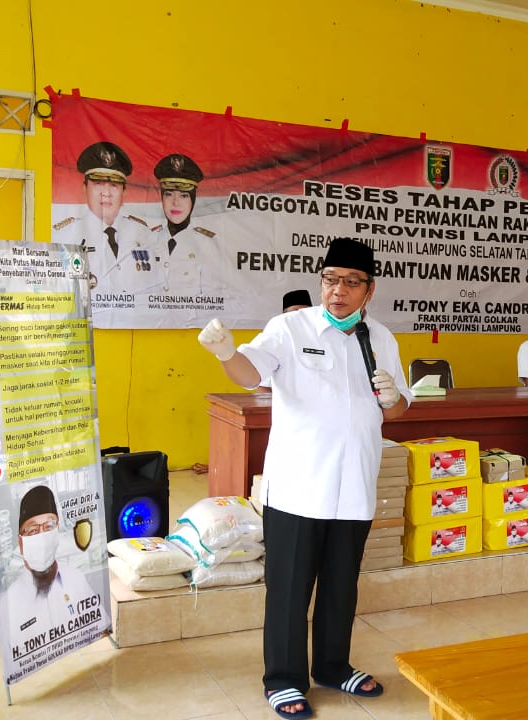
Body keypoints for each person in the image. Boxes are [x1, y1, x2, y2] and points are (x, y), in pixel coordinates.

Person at [197, 237, 410, 719]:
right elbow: (249, 372)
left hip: (354, 486)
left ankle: (333, 666)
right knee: (289, 590)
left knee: (341, 586)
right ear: (321, 282)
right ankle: (284, 679)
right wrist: (225, 352)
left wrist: (393, 396)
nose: (338, 291)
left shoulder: (381, 338)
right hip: (299, 487)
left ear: (370, 289)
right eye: (331, 279)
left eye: (351, 282)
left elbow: (396, 410)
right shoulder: (291, 328)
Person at [3, 484, 105, 657]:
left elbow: (100, 630)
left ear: (57, 532)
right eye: (33, 530)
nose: (42, 536)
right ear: (21, 543)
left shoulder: (75, 578)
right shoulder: (12, 598)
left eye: (49, 526)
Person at [50, 141, 153, 298]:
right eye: (98, 184)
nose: (106, 193)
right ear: (84, 189)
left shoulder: (143, 234)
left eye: (114, 185)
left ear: (124, 192)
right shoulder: (64, 236)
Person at [143, 153, 225, 300]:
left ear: (193, 199)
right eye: (169, 194)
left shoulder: (207, 244)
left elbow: (214, 298)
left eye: (184, 196)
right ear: (161, 197)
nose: (175, 202)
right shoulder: (148, 239)